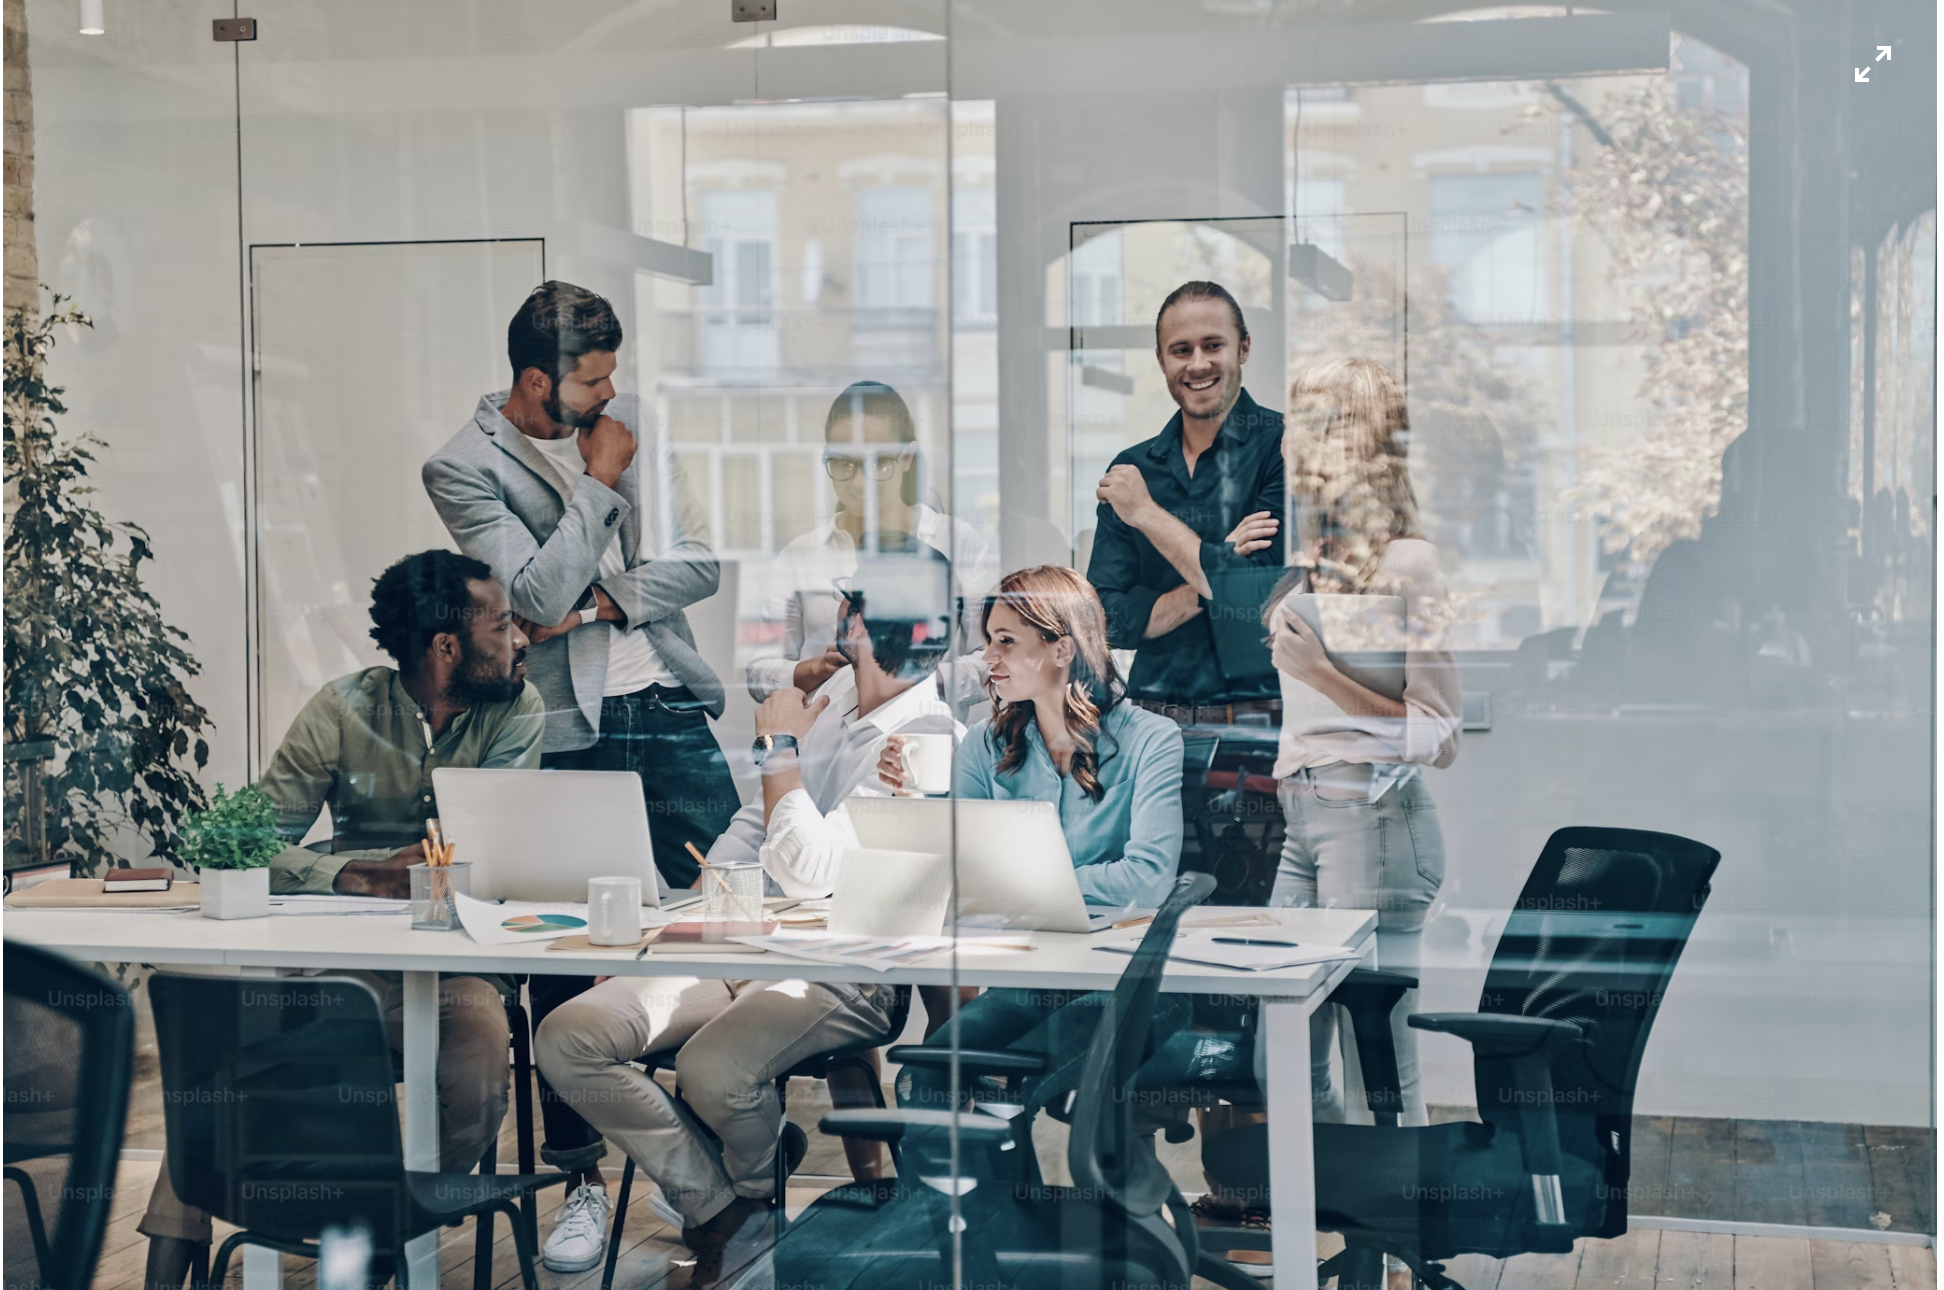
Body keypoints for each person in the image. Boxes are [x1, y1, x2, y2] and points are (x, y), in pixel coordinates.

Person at [423, 281, 742, 1268]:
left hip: (670, 715)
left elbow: (701, 565)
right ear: (535, 379)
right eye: (592, 378)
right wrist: (600, 485)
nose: (612, 393)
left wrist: (604, 599)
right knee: (556, 966)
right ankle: (579, 1184)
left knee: (741, 925)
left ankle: (731, 1170)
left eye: (613, 373)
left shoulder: (631, 423)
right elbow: (527, 597)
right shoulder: (463, 466)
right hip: (563, 732)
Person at [533, 553, 960, 1288]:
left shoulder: (926, 741)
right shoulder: (830, 705)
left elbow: (811, 871)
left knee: (713, 1071)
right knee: (567, 1037)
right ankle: (731, 1208)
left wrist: (779, 750)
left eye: (844, 609)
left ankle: (746, 1205)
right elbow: (748, 830)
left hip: (841, 972)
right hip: (736, 943)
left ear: (854, 621)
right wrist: (673, 932)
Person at [140, 550, 537, 1290]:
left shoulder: (519, 710)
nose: (522, 639)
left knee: (480, 1065)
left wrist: (391, 865)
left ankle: (379, 1232)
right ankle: (168, 1264)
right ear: (446, 646)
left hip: (458, 964)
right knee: (223, 1058)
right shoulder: (342, 708)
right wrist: (353, 872)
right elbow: (247, 843)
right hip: (340, 957)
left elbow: (481, 848)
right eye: (505, 623)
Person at [895, 566, 1188, 1116]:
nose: (988, 658)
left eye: (1006, 642)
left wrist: (1022, 886)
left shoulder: (1152, 740)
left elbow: (1148, 881)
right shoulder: (984, 745)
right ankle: (987, 1204)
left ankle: (1039, 1195)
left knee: (1027, 1082)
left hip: (1122, 981)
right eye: (988, 642)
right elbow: (960, 871)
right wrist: (918, 797)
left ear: (1063, 650)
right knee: (925, 1077)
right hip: (1029, 978)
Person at [1262, 356, 1459, 1127]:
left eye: (1306, 420)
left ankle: (1397, 1237)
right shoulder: (1314, 560)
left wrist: (1321, 671)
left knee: (1378, 1055)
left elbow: (1438, 732)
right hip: (1302, 818)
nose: (1286, 439)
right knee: (1285, 1040)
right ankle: (1335, 1226)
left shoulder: (1408, 563)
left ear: (1354, 435)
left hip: (1375, 823)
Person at [1086, 280, 1287, 727]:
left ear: (1244, 348)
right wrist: (1217, 574)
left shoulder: (1285, 448)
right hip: (1146, 724)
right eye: (1180, 350)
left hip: (1256, 728)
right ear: (1162, 360)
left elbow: (1261, 596)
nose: (1197, 364)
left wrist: (1147, 515)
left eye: (1212, 345)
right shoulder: (1133, 469)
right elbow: (1104, 619)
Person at [747, 380, 997, 712]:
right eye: (843, 464)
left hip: (923, 745)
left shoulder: (956, 541)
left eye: (879, 463)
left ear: (907, 457)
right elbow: (757, 671)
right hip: (826, 748)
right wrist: (816, 669)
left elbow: (996, 658)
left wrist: (913, 675)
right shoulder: (799, 555)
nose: (860, 482)